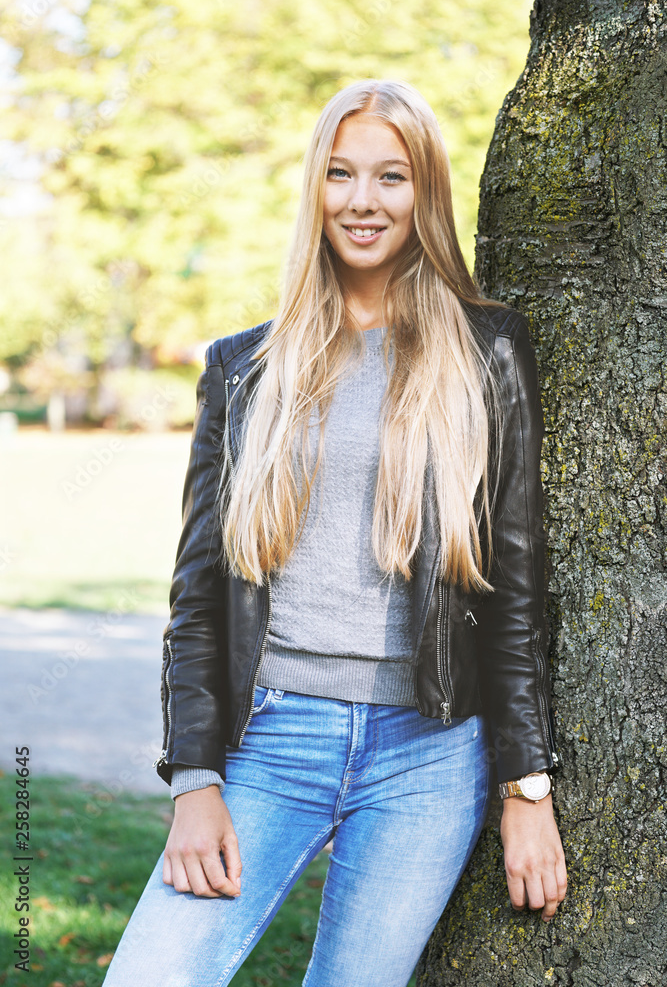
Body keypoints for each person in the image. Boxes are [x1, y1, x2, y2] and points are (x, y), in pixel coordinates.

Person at [102, 78, 567, 987]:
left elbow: (515, 590)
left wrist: (526, 788)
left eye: (391, 176)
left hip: (427, 757)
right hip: (268, 744)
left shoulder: (487, 351)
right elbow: (199, 594)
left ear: (424, 192)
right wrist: (194, 779)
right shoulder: (243, 369)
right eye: (340, 174)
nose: (363, 200)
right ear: (315, 187)